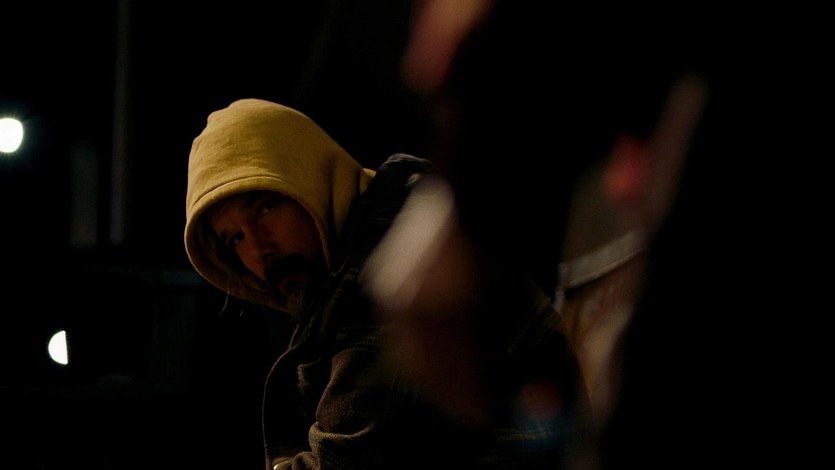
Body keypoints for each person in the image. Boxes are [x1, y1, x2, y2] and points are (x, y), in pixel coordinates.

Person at [183, 97, 589, 469]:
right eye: (234, 239)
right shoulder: (365, 260)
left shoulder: (389, 277)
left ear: (310, 177)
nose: (259, 250)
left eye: (265, 208)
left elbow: (341, 462)